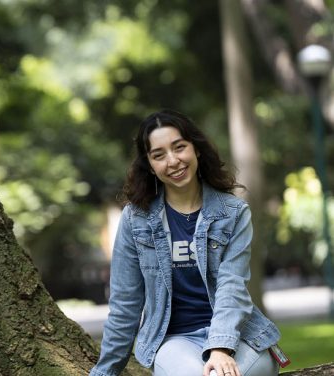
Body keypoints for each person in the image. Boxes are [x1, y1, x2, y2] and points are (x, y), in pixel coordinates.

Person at [90, 109, 284, 376]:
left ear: (196, 149)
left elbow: (232, 287)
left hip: (241, 338)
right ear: (149, 165)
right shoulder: (136, 219)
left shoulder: (233, 213)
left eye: (179, 147)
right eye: (159, 155)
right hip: (175, 341)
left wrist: (220, 347)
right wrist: (105, 371)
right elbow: (125, 303)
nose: (173, 161)